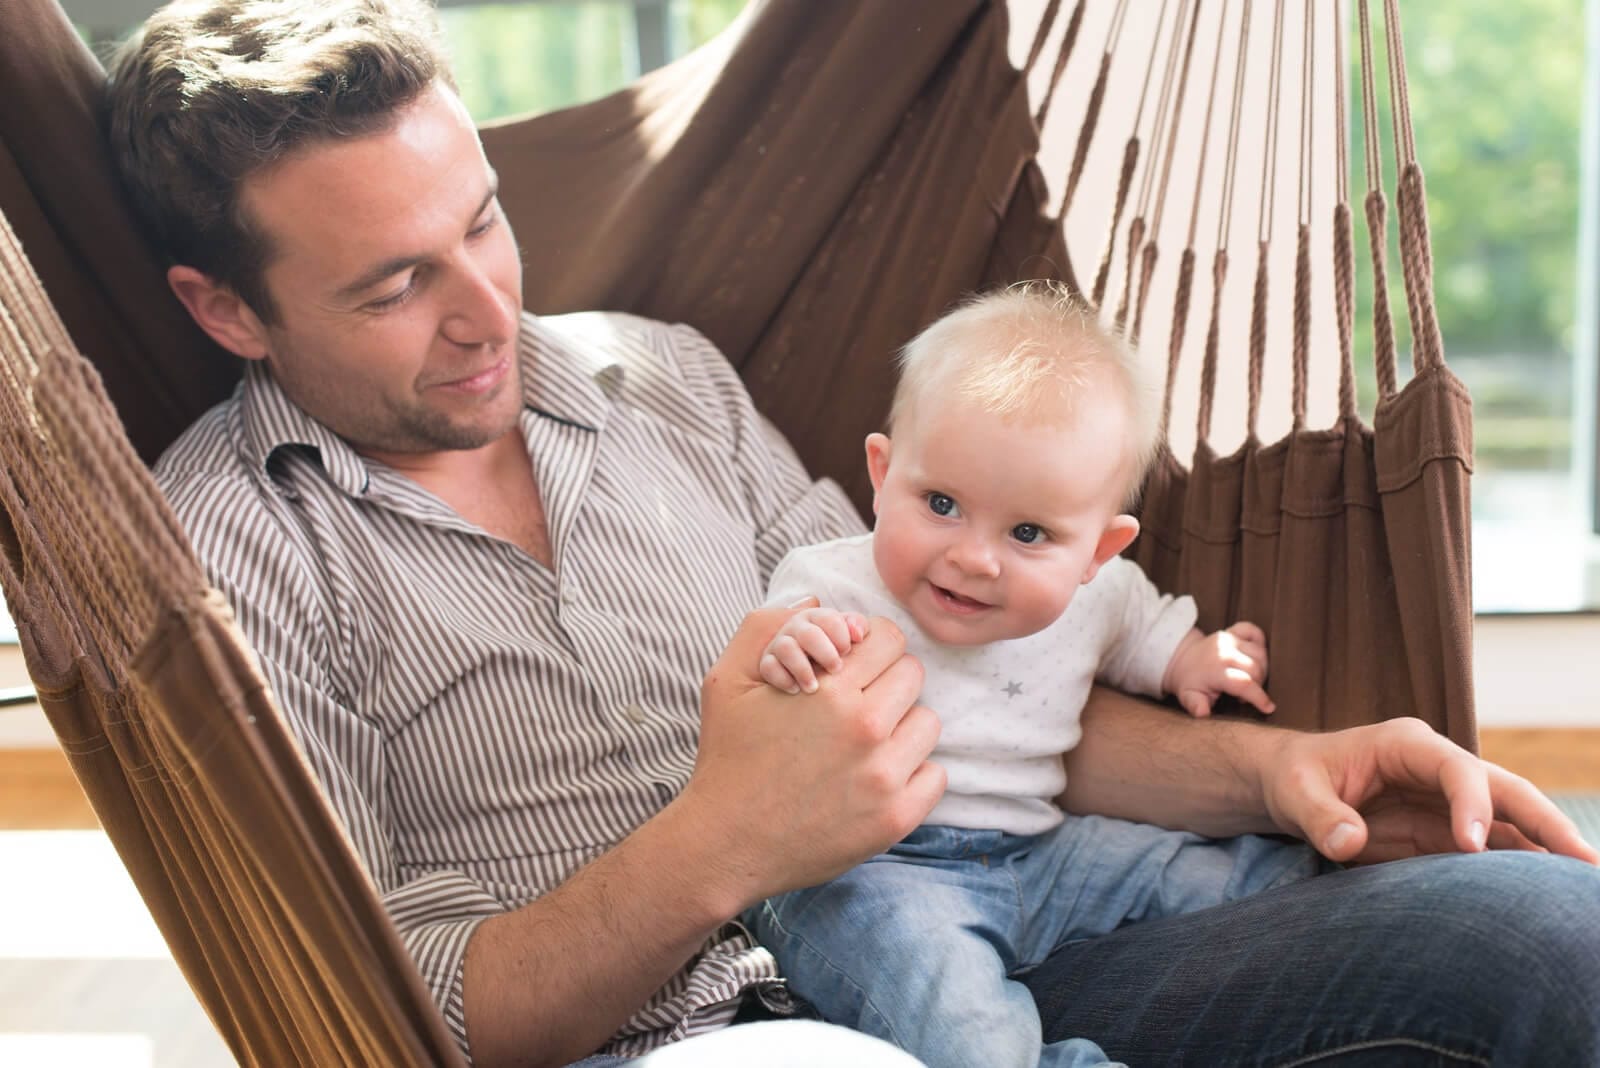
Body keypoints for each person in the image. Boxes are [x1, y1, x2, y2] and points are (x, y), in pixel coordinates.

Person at [101, 2, 1600, 1066]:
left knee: (1551, 935)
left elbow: (962, 687)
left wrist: (1281, 774)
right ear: (223, 307)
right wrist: (721, 843)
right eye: (393, 286)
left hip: (989, 936)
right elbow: (375, 1021)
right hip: (678, 1042)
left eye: (484, 220)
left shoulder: (661, 377)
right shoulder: (226, 564)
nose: (491, 309)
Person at [749, 285, 1319, 1068]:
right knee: (955, 1017)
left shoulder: (1102, 592)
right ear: (882, 474)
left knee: (1195, 873)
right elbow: (767, 669)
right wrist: (793, 647)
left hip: (1041, 856)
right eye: (941, 502)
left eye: (1026, 532)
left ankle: (1346, 900)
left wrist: (1190, 659)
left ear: (1097, 552)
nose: (974, 557)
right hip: (874, 874)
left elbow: (1139, 628)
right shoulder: (831, 585)